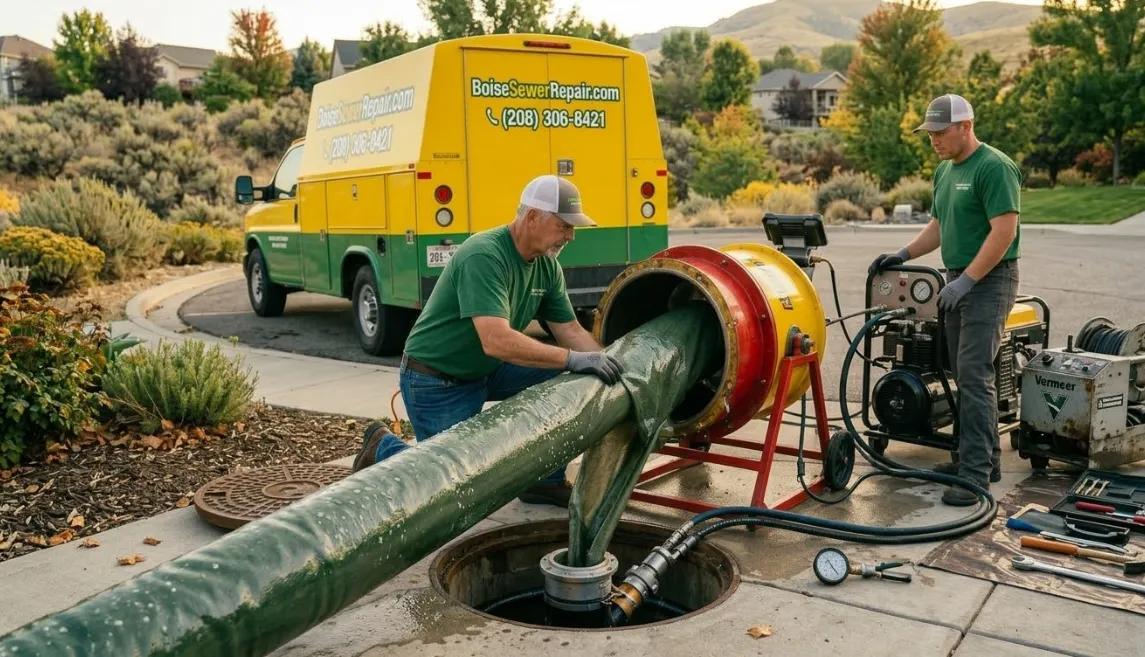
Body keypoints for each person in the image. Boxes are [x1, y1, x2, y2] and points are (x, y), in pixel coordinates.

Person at [351, 174, 624, 508]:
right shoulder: (485, 256)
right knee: (453, 486)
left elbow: (570, 330)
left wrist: (608, 363)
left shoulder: (546, 266)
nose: (571, 236)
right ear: (533, 216)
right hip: (437, 380)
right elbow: (496, 340)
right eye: (564, 225)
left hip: (489, 370)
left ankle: (544, 479)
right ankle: (382, 447)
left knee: (576, 377)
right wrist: (570, 359)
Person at [868, 93, 1022, 506]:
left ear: (966, 126)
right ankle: (984, 459)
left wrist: (968, 281)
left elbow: (1003, 232)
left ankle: (973, 476)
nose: (933, 140)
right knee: (960, 369)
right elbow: (938, 226)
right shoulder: (944, 172)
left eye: (940, 132)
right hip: (958, 280)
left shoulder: (994, 167)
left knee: (974, 375)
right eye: (930, 133)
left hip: (989, 281)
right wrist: (903, 255)